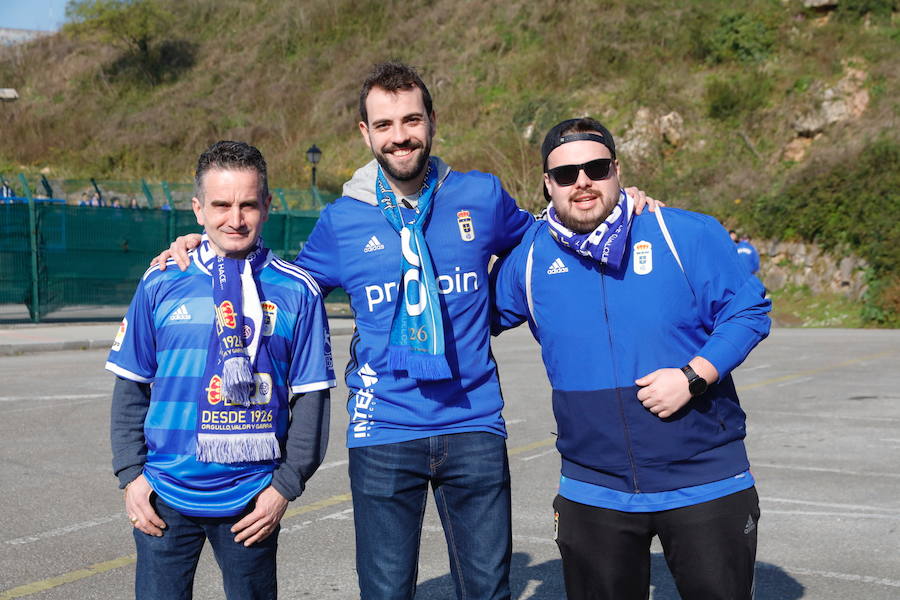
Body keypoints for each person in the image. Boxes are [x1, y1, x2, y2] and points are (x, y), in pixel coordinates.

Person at [154, 63, 657, 599]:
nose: (400, 136)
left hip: (474, 423)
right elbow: (279, 288)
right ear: (365, 133)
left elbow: (552, 235)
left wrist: (616, 207)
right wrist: (207, 242)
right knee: (387, 591)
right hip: (384, 431)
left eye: (411, 120)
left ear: (432, 121)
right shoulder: (342, 222)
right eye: (386, 124)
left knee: (488, 589)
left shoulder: (481, 197)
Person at [491, 118, 771, 600]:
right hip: (593, 489)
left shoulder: (683, 232)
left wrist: (694, 376)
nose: (582, 182)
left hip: (705, 481)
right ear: (547, 183)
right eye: (566, 174)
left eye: (596, 168)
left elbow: (748, 309)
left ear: (617, 170)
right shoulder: (530, 257)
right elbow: (467, 309)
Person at [107, 140, 335, 599]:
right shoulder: (161, 280)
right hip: (163, 495)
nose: (235, 218)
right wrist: (131, 476)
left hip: (252, 499)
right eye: (221, 204)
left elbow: (312, 399)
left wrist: (283, 489)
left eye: (248, 204)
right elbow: (131, 386)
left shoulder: (298, 292)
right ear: (197, 209)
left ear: (267, 206)